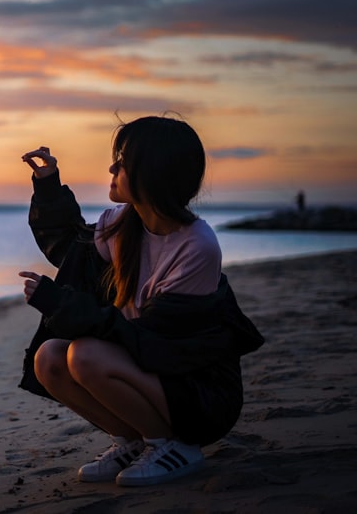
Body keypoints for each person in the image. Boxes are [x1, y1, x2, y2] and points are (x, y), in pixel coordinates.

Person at [16, 116, 264, 487]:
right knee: (49, 359)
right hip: (148, 370)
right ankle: (134, 441)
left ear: (153, 173)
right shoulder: (121, 224)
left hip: (197, 394)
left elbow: (158, 344)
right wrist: (48, 185)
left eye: (123, 161)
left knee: (84, 355)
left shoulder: (196, 246)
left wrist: (61, 305)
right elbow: (70, 249)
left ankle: (175, 447)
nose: (112, 168)